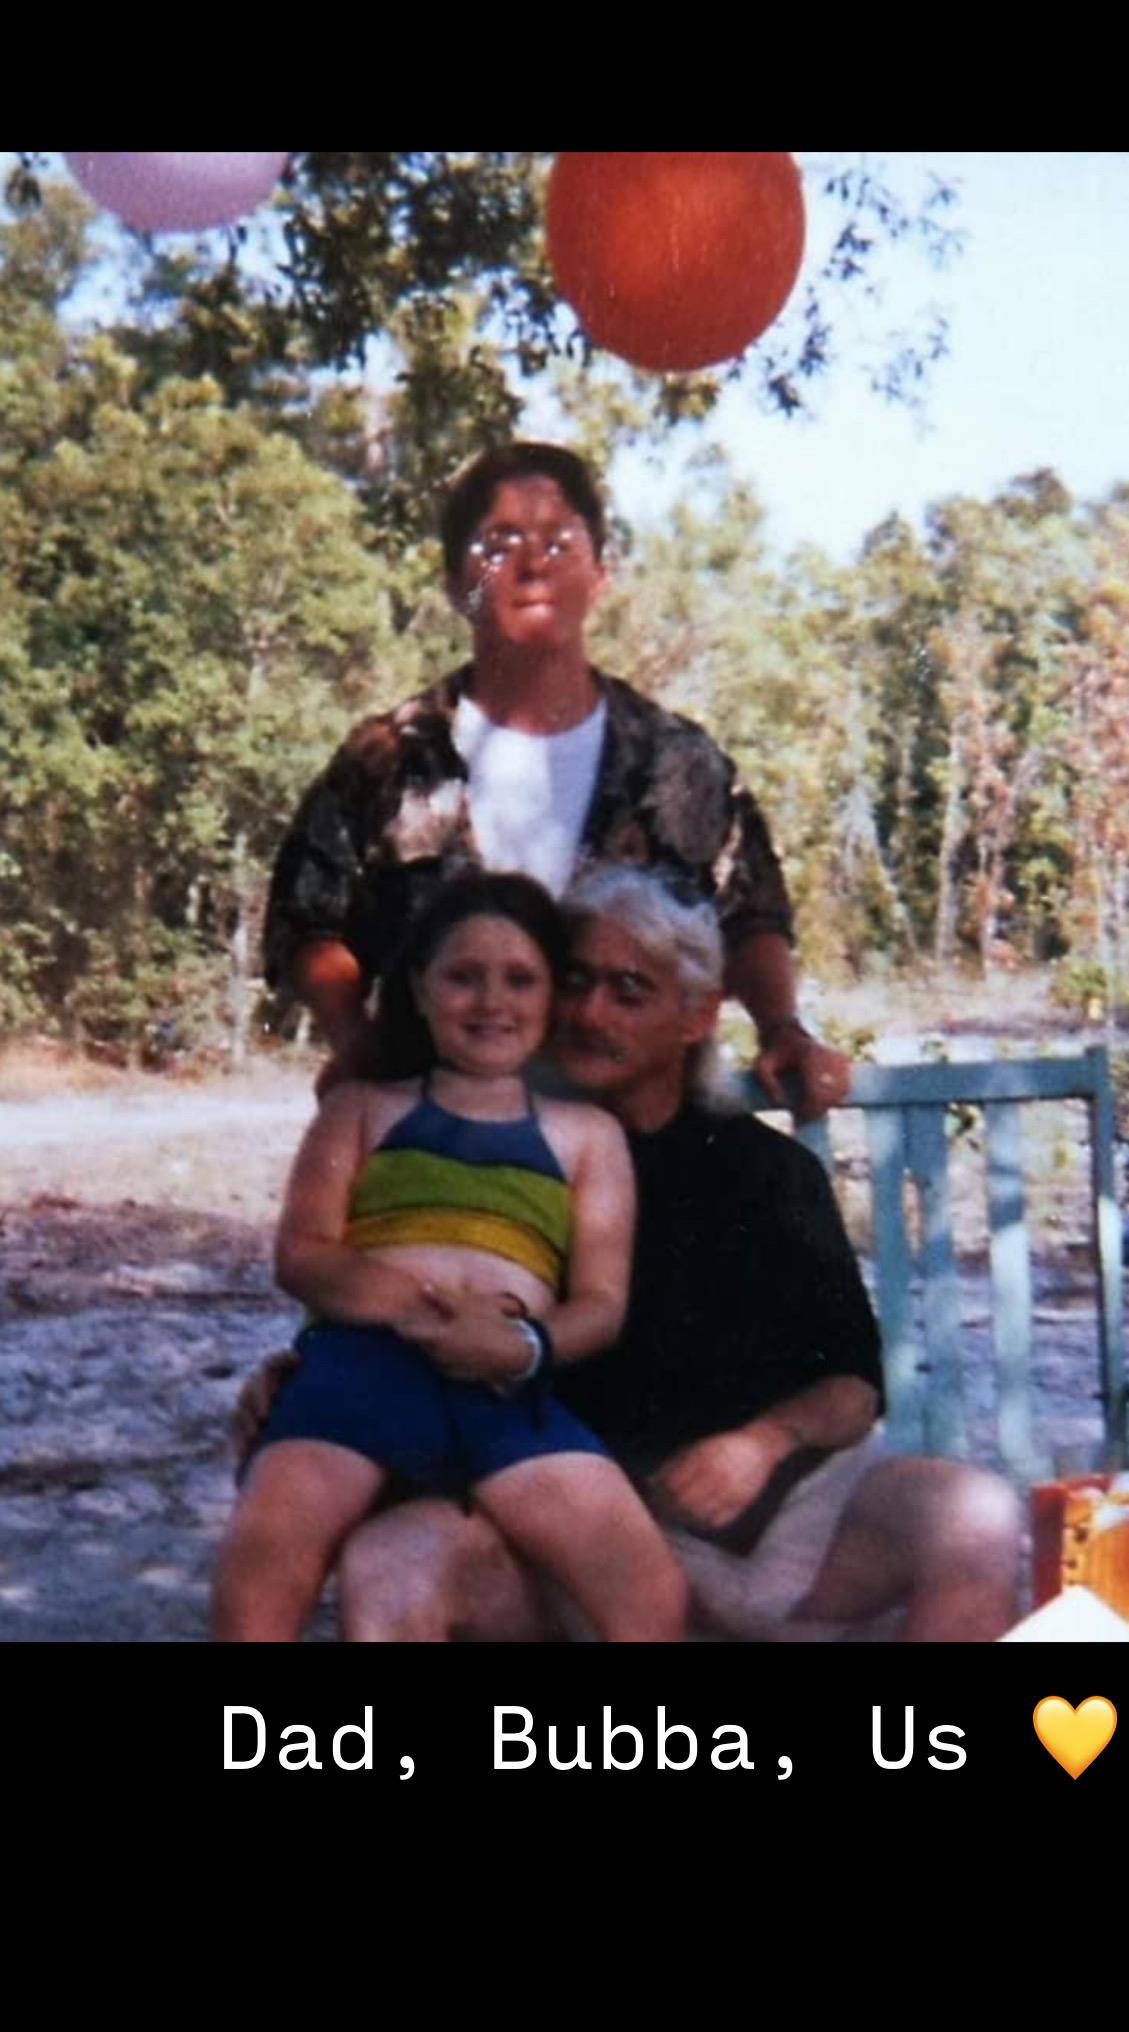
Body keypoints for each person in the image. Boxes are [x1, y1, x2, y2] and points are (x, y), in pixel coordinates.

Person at [237, 868, 1022, 1643]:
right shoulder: (508, 1153)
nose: (587, 1012)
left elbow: (854, 1384)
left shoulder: (763, 1171)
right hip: (574, 1536)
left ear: (696, 1015)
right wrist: (305, 1371)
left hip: (789, 1526)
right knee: (395, 1559)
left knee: (971, 1516)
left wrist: (761, 1443)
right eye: (573, 982)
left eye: (627, 990)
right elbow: (403, 1286)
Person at [263, 439, 848, 1120]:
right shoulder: (393, 758)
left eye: (559, 541)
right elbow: (307, 920)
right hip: (441, 1136)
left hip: (638, 1146)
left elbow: (750, 915)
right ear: (457, 586)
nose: (531, 564)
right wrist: (355, 1042)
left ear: (600, 575)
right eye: (498, 543)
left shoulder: (676, 761)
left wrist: (781, 1028)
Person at [213, 872, 687, 1643]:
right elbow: (303, 1255)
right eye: (463, 977)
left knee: (648, 1591)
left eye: (520, 979)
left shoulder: (585, 1135)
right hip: (360, 1372)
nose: (491, 1001)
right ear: (419, 990)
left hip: (505, 1386)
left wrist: (520, 1343)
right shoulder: (360, 1110)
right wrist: (425, 1310)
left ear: (551, 997)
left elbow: (600, 1304)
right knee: (263, 1557)